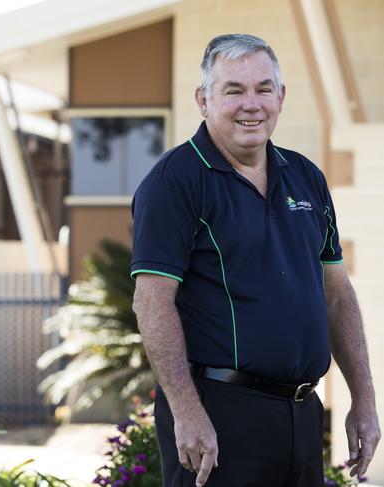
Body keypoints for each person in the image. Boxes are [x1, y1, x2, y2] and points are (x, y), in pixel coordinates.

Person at [130, 34, 380, 487]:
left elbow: (337, 293)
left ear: (280, 97)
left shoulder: (306, 177)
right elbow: (151, 303)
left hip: (302, 415)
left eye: (264, 89)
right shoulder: (174, 182)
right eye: (233, 90)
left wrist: (362, 398)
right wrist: (187, 413)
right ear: (203, 100)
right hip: (219, 415)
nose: (252, 104)